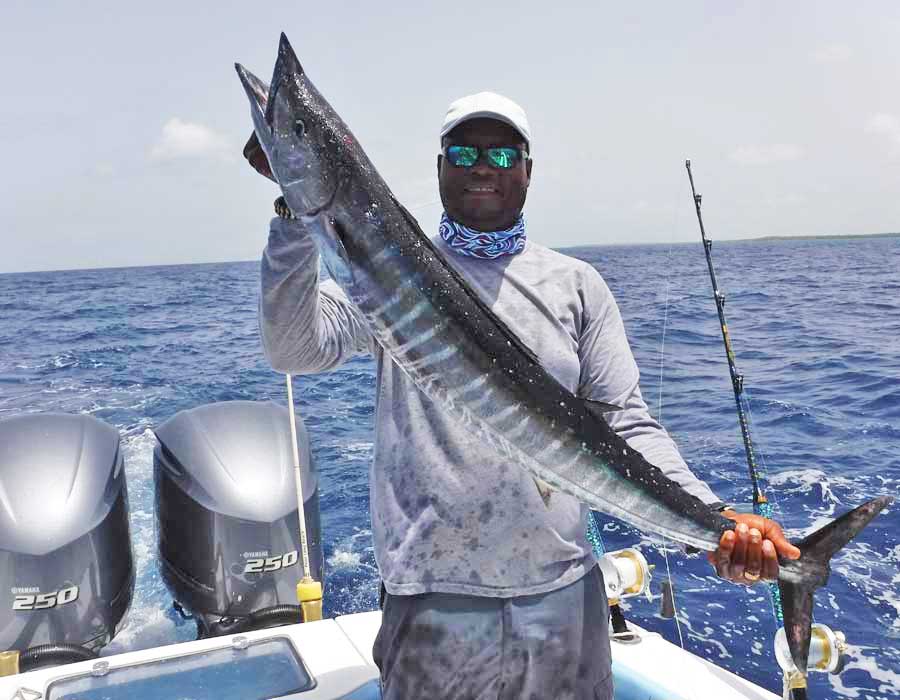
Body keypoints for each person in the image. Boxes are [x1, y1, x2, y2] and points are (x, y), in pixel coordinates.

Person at [251, 91, 800, 700]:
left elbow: (627, 425)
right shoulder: (388, 274)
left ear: (527, 171)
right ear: (439, 168)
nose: (481, 166)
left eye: (501, 153)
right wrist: (292, 215)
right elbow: (295, 350)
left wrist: (715, 517)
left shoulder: (576, 285)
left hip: (563, 598)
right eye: (463, 152)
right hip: (433, 600)